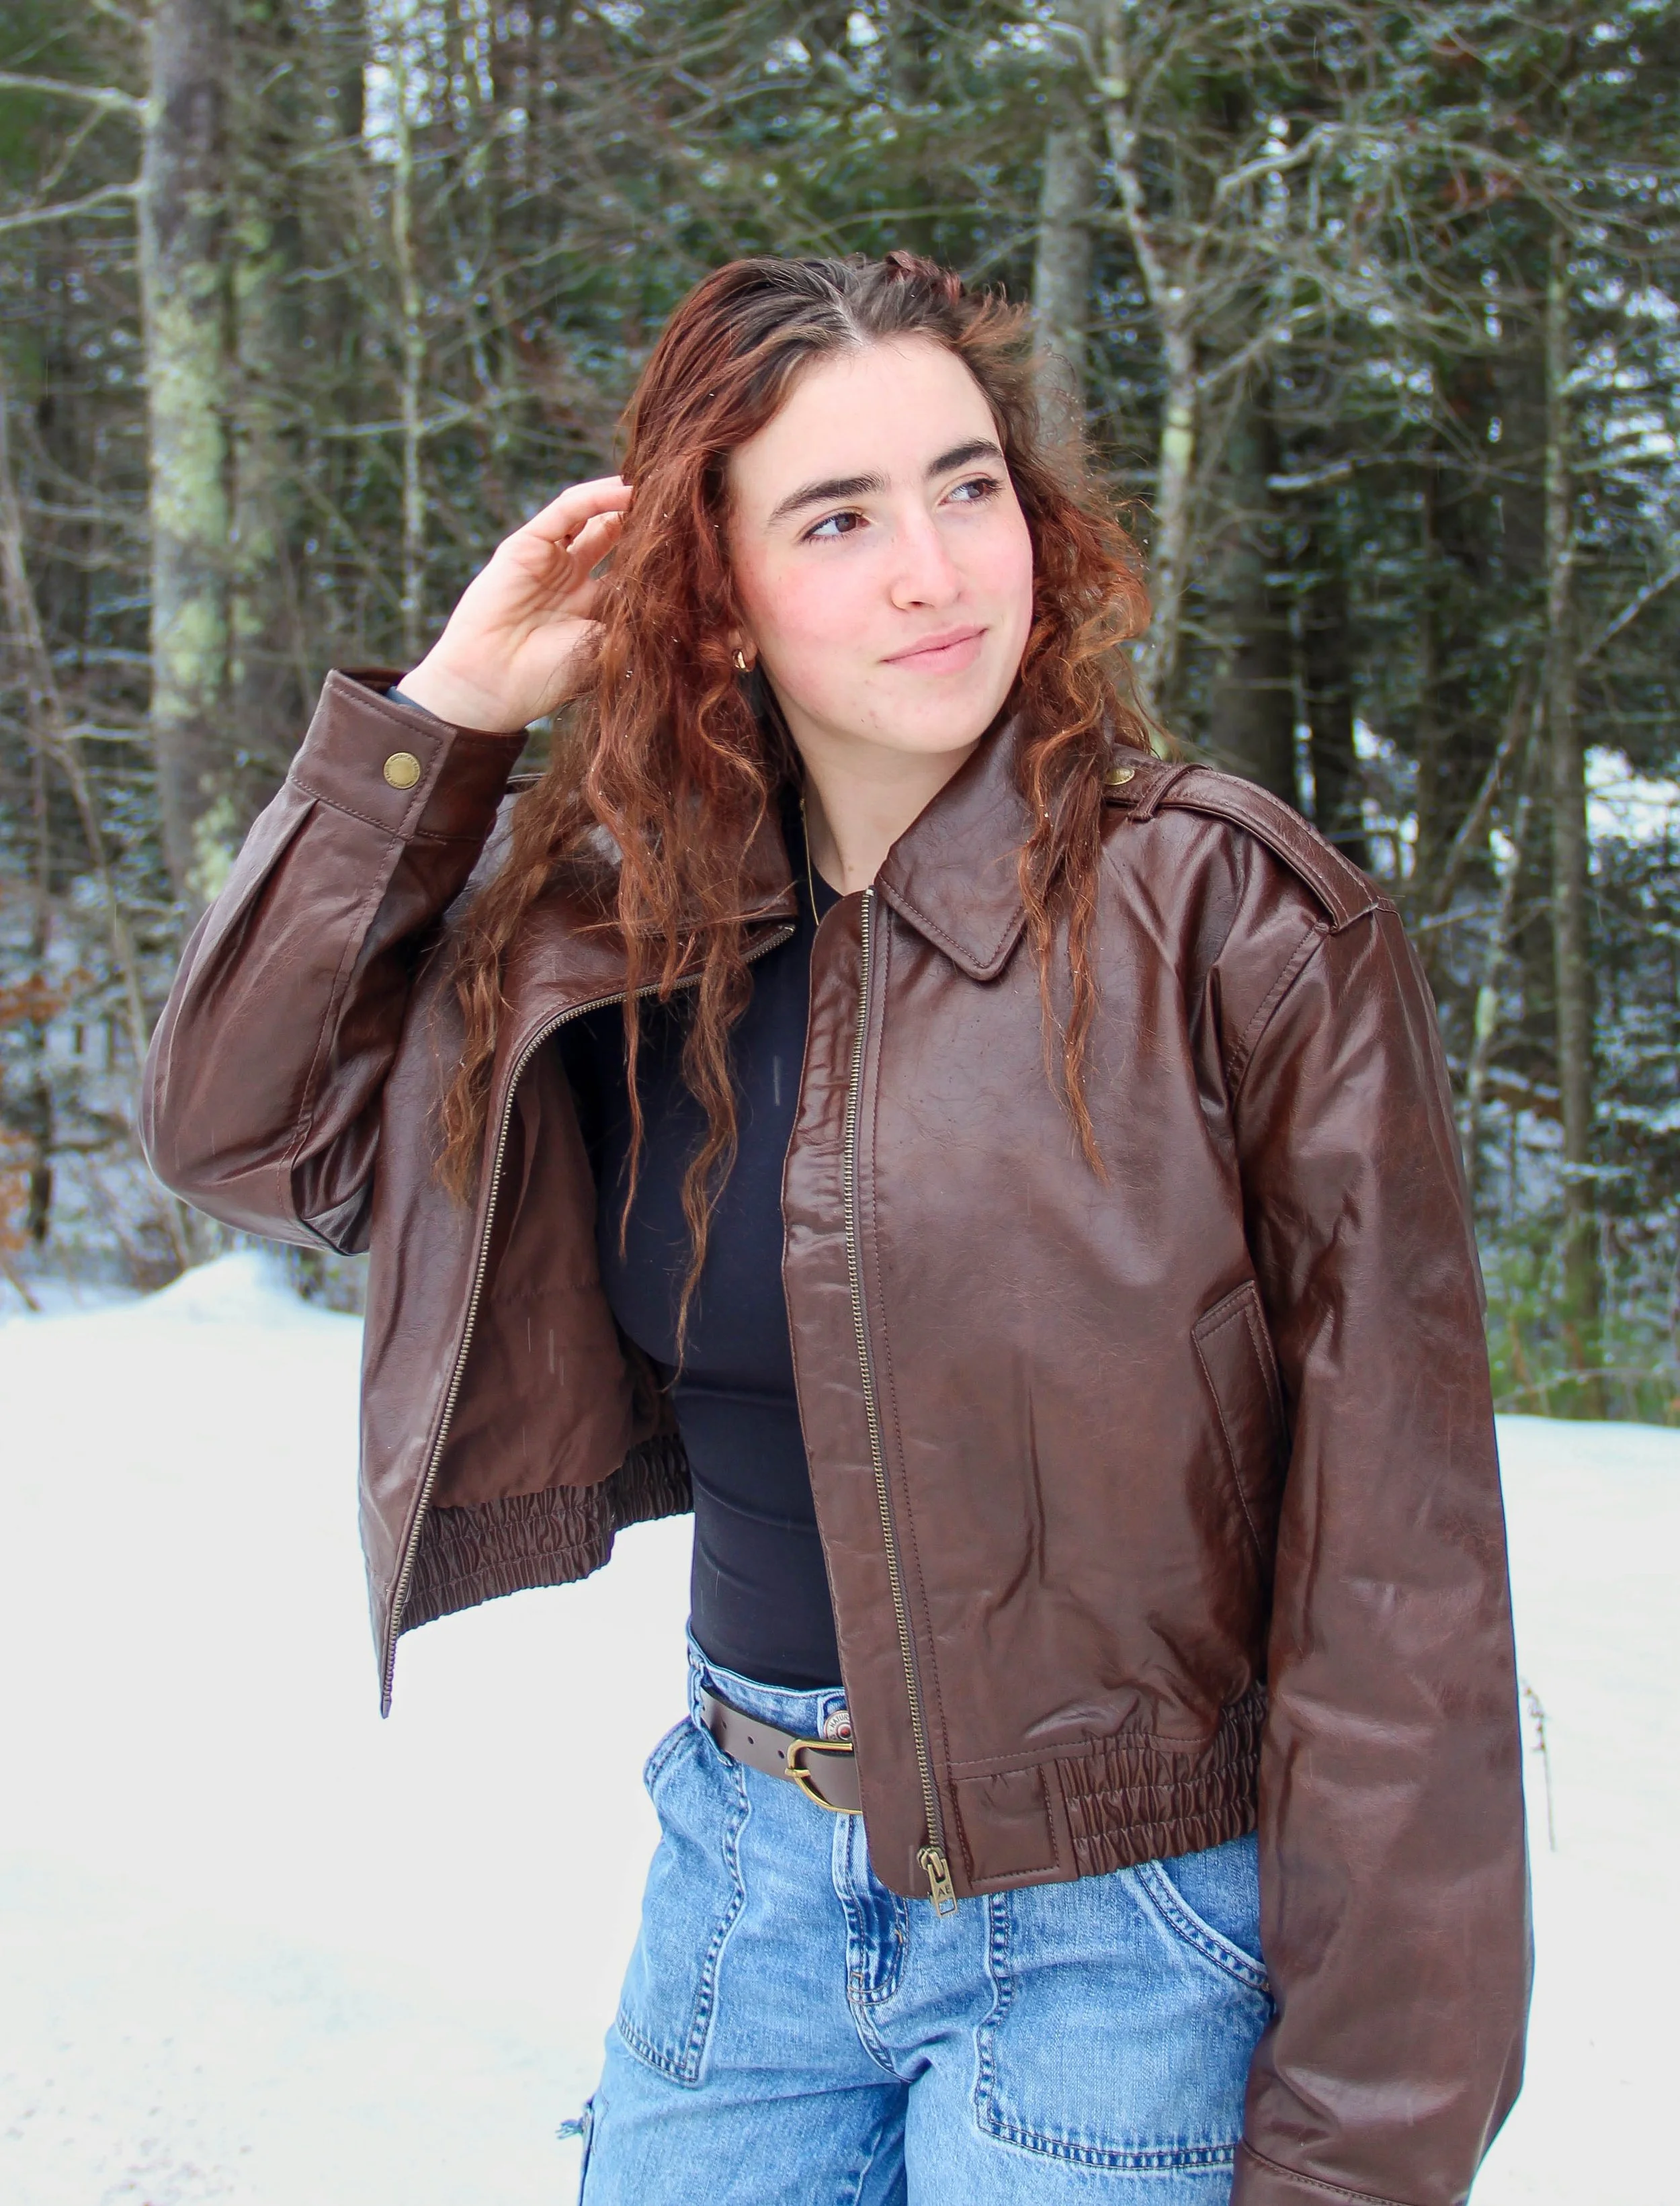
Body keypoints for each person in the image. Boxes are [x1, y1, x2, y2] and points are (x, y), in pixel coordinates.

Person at [142, 253, 1530, 2206]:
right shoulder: (617, 935)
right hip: (743, 1882)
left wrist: (1362, 2151)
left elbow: (1405, 1588)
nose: (934, 572)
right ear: (711, 590)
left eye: (969, 487)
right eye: (837, 517)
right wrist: (443, 720)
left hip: (1125, 1933)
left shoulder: (1229, 923)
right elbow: (236, 1129)